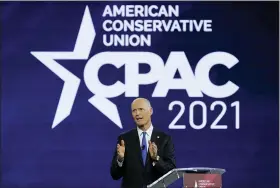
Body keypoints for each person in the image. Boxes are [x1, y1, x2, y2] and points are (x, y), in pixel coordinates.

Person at [110, 98, 176, 188]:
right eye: (134, 111)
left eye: (141, 109)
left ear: (150, 111)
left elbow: (171, 172)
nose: (137, 114)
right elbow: (115, 175)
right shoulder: (124, 139)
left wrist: (156, 158)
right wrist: (120, 159)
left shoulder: (164, 139)